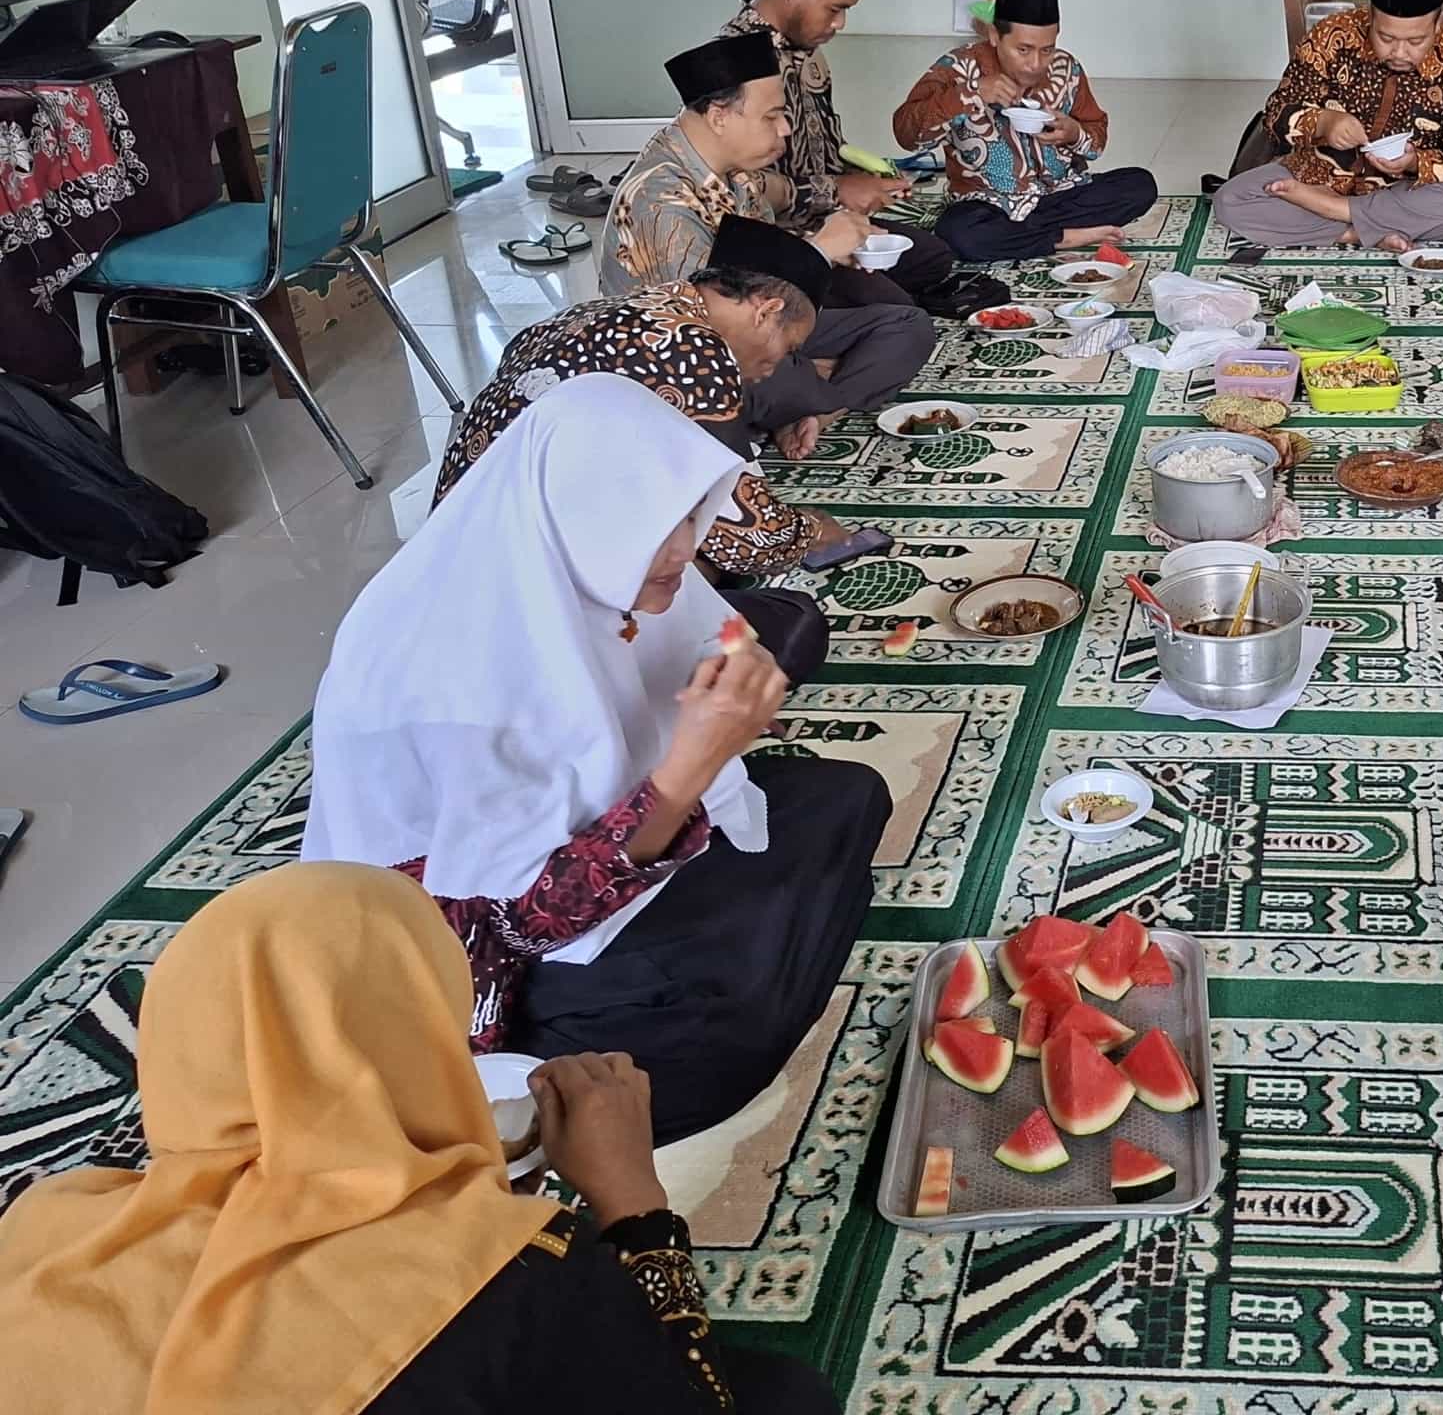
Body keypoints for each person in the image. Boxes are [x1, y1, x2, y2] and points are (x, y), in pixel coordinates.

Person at [0, 862, 835, 1413]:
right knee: (784, 1395)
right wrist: (632, 1203)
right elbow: (691, 1400)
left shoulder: (47, 1226)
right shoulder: (508, 1276)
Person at [303, 373, 893, 1143]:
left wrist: (733, 681)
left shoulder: (557, 554)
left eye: (690, 516)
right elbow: (524, 920)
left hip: (617, 841)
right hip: (477, 946)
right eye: (654, 525)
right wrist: (690, 767)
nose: (684, 548)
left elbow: (698, 635)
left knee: (848, 796)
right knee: (719, 1021)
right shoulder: (452, 681)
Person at [435, 218, 879, 682]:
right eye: (788, 347)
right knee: (793, 625)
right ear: (766, 311)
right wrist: (812, 532)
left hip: (461, 569)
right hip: (532, 611)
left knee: (692, 561)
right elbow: (746, 537)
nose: (776, 367)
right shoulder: (692, 348)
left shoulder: (596, 314)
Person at [605, 32, 931, 449]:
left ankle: (814, 407)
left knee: (906, 325)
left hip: (766, 322)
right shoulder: (659, 202)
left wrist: (829, 245)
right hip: (696, 358)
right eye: (772, 116)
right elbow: (707, 334)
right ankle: (808, 390)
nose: (786, 128)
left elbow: (778, 218)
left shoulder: (734, 169)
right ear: (720, 116)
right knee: (777, 377)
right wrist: (815, 253)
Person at [720, 0, 1000, 316]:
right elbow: (735, 188)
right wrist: (836, 190)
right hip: (776, 247)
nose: (840, 23)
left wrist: (868, 182)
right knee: (898, 314)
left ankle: (858, 308)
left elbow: (826, 149)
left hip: (829, 221)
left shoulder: (808, 52)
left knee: (932, 256)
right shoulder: (736, 63)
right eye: (834, 9)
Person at [1213, 0, 1443, 251]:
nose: (1399, 52)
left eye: (1415, 41)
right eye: (1385, 37)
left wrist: (1413, 162)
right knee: (1230, 201)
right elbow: (1275, 116)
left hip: (1399, 193)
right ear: (1370, 16)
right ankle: (1356, 233)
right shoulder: (1331, 36)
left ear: (1438, 24)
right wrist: (1323, 122)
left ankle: (1337, 211)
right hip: (1316, 178)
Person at [890, 0, 1157, 260]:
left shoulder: (1066, 68)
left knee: (1140, 185)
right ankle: (1064, 237)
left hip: (1061, 194)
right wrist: (972, 93)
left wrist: (1074, 133)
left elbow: (1097, 138)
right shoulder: (958, 68)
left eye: (1047, 49)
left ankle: (1029, 236)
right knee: (959, 233)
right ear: (995, 35)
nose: (1035, 64)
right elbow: (907, 135)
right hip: (988, 204)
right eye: (1023, 50)